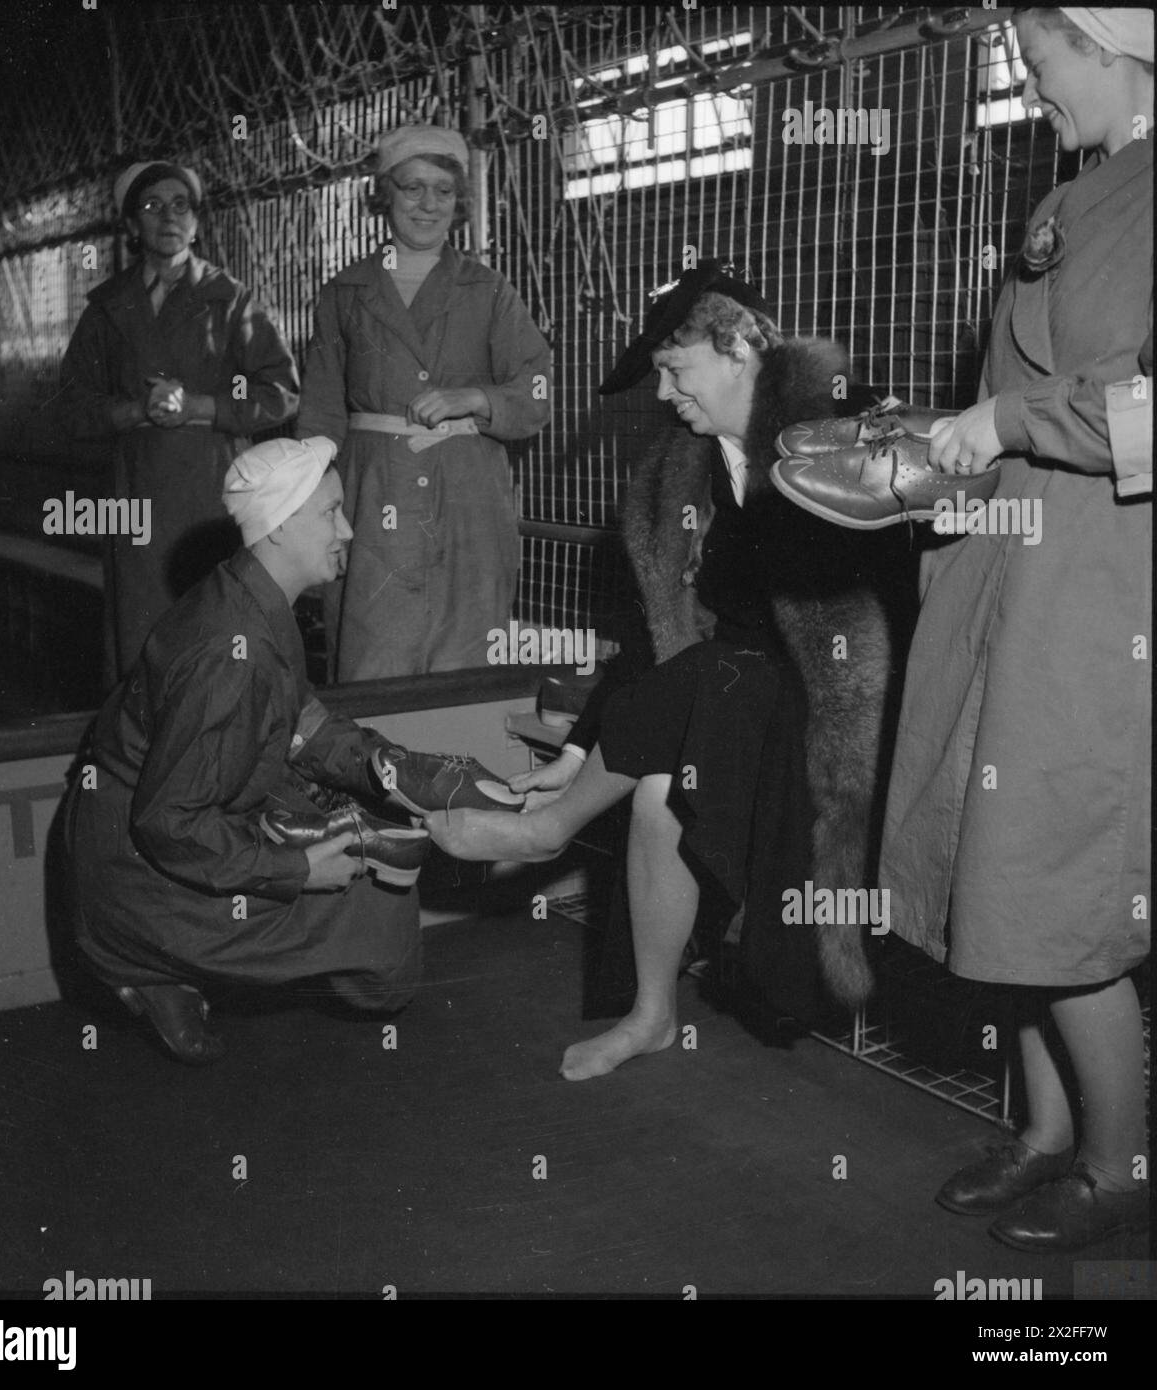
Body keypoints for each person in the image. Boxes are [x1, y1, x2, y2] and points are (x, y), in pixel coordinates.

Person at [426, 263, 889, 1079]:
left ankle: (548, 831)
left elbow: (890, 613)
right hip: (720, 703)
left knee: (717, 679)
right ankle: (650, 1013)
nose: (667, 395)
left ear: (741, 344)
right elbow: (652, 643)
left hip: (832, 711)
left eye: (676, 371)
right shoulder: (686, 471)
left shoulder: (848, 432)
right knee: (654, 786)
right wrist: (575, 753)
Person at [876, 7, 1152, 1251]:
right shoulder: (1074, 193)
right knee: (992, 861)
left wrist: (1007, 425)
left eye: (1040, 68)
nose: (1030, 90)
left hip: (1100, 582)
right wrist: (943, 463)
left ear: (1111, 49)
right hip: (1010, 562)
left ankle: (1117, 1161)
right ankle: (1044, 1134)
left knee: (1053, 876)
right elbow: (1008, 386)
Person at [60, 437, 516, 1065]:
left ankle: (161, 964)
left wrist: (393, 767)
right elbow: (168, 821)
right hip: (134, 870)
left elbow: (298, 721)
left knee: (370, 846)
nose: (350, 528)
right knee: (382, 942)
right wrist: (298, 872)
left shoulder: (247, 598)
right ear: (277, 528)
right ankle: (150, 963)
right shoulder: (231, 648)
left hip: (141, 831)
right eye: (330, 512)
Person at [297, 124, 551, 680]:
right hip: (372, 493)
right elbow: (318, 412)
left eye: (443, 190)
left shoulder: (488, 290)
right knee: (372, 648)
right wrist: (315, 497)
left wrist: (479, 397)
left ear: (459, 203)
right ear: (384, 194)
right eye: (412, 188)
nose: (427, 204)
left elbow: (536, 393)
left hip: (467, 497)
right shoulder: (345, 293)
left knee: (466, 649)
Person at [60, 160, 300, 685]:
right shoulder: (106, 308)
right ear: (130, 226)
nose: (168, 216)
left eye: (181, 205)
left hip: (213, 489)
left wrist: (202, 408)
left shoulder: (230, 299)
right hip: (136, 490)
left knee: (215, 625)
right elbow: (71, 405)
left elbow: (281, 393)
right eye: (152, 206)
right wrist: (132, 411)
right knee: (141, 634)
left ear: (196, 221)